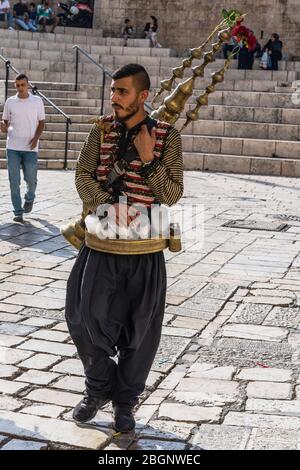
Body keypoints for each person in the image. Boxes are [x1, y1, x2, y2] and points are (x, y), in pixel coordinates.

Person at [65, 63, 183, 433]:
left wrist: (148, 159)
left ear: (143, 95)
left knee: (140, 331)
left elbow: (172, 194)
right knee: (81, 317)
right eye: (113, 91)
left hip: (144, 253)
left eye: (122, 92)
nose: (113, 98)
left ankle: (125, 402)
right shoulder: (100, 131)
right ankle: (98, 387)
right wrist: (106, 202)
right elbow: (83, 174)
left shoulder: (167, 136)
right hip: (100, 247)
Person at [0, 74, 45, 223]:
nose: (20, 88)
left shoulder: (37, 101)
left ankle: (30, 197)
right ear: (15, 86)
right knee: (14, 181)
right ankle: (18, 212)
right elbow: (5, 121)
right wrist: (4, 127)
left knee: (31, 180)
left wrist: (35, 139)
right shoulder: (10, 102)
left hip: (30, 148)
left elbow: (41, 123)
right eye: (17, 85)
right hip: (13, 146)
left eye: (23, 85)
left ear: (28, 85)